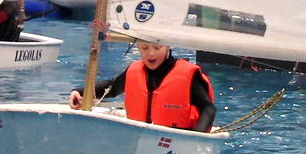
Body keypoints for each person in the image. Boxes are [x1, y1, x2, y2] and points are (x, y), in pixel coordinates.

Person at [67, 40, 216, 132]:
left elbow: (208, 108)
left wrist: (197, 137)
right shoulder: (134, 71)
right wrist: (79, 91)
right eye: (144, 48)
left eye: (157, 48)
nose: (151, 54)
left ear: (167, 47)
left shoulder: (188, 75)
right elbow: (112, 88)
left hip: (176, 144)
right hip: (140, 139)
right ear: (138, 47)